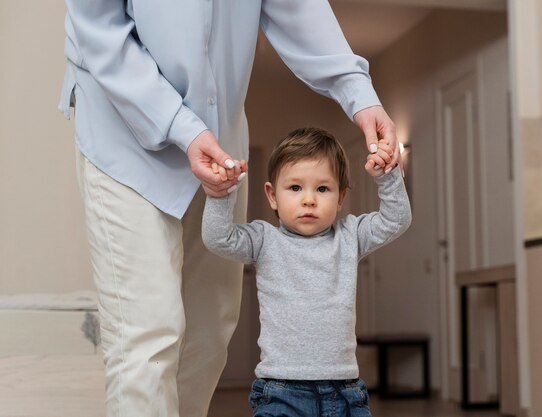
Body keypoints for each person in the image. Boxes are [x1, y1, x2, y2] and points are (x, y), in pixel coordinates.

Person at [59, 1, 399, 416]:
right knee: (146, 336)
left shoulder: (343, 238)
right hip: (124, 137)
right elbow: (98, 28)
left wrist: (359, 95)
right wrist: (182, 127)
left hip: (220, 149)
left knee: (208, 334)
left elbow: (297, 8)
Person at [202, 127, 411, 417]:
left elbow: (396, 220)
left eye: (322, 189)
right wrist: (221, 195)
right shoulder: (265, 240)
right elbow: (218, 238)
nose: (309, 199)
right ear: (272, 196)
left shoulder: (349, 236)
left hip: (344, 389)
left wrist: (388, 177)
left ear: (340, 198)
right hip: (281, 389)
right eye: (295, 188)